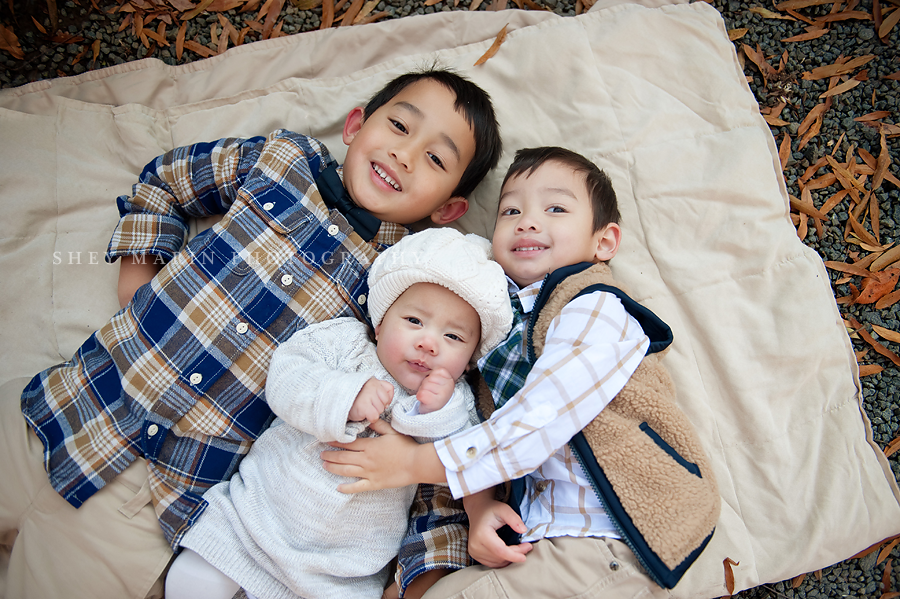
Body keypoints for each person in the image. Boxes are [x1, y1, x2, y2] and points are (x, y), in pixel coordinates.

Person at [0, 68, 502, 599]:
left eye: (435, 159)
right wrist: (138, 273)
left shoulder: (399, 286)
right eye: (400, 126)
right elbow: (168, 179)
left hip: (147, 501)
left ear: (447, 211)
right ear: (355, 125)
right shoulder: (281, 160)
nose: (405, 154)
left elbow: (428, 427)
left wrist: (427, 569)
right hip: (65, 402)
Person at [323, 147, 721, 599]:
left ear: (604, 242)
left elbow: (538, 420)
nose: (527, 221)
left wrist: (412, 464)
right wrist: (481, 510)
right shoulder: (499, 326)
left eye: (555, 208)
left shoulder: (595, 306)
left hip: (614, 533)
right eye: (511, 210)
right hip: (540, 538)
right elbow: (475, 421)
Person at [164, 227, 513, 599]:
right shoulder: (345, 344)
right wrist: (345, 396)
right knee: (190, 582)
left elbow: (468, 461)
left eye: (453, 338)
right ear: (380, 324)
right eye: (414, 321)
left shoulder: (456, 403)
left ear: (471, 360)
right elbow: (286, 377)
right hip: (252, 523)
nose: (428, 343)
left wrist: (433, 413)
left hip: (341, 573)